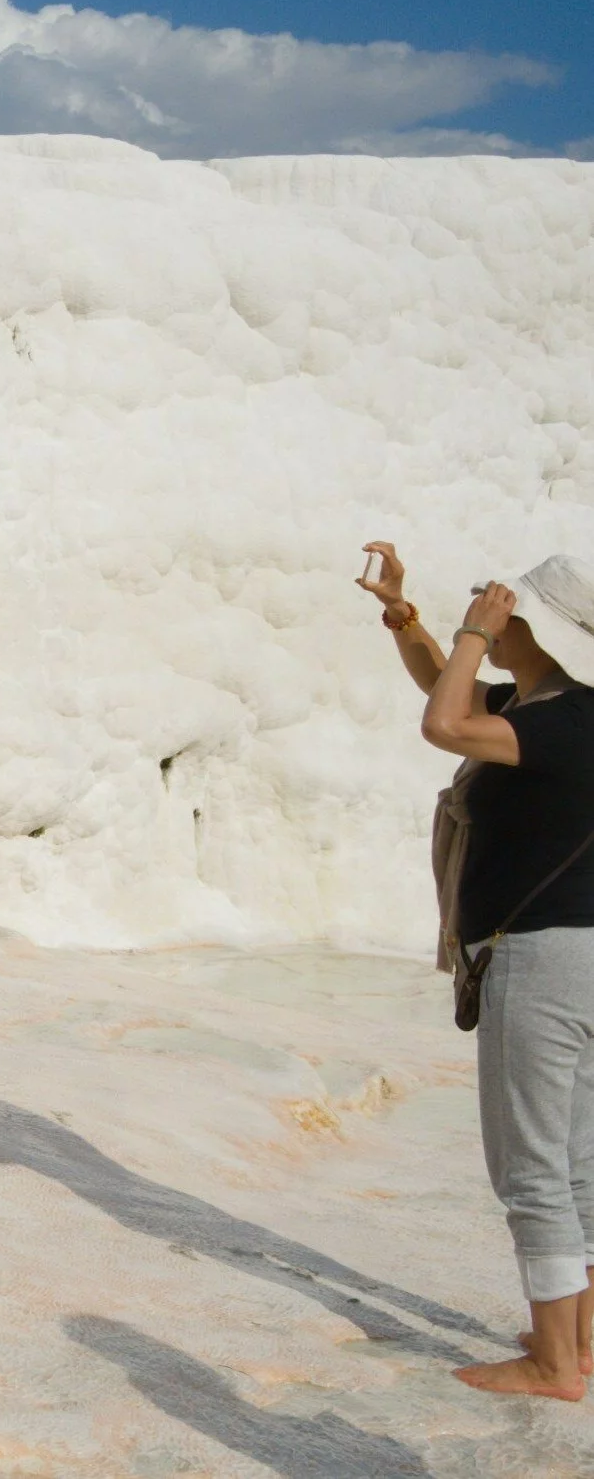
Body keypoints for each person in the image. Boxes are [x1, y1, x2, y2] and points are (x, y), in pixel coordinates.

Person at [361, 542, 594, 1400]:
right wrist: (404, 616)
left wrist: (468, 629)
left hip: (543, 955)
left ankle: (553, 1364)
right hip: (586, 957)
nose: (492, 626)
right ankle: (575, 1338)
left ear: (534, 625)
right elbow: (444, 691)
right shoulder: (555, 708)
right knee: (578, 1162)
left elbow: (444, 726)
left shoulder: (563, 721)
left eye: (504, 614)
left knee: (531, 1166)